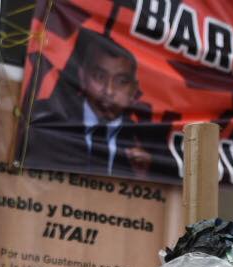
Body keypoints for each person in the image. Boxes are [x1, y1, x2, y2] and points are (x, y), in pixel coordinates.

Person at [31, 29, 157, 176]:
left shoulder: (149, 142)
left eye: (121, 81)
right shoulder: (47, 120)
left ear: (134, 91)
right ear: (82, 77)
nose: (108, 91)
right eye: (99, 76)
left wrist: (142, 177)